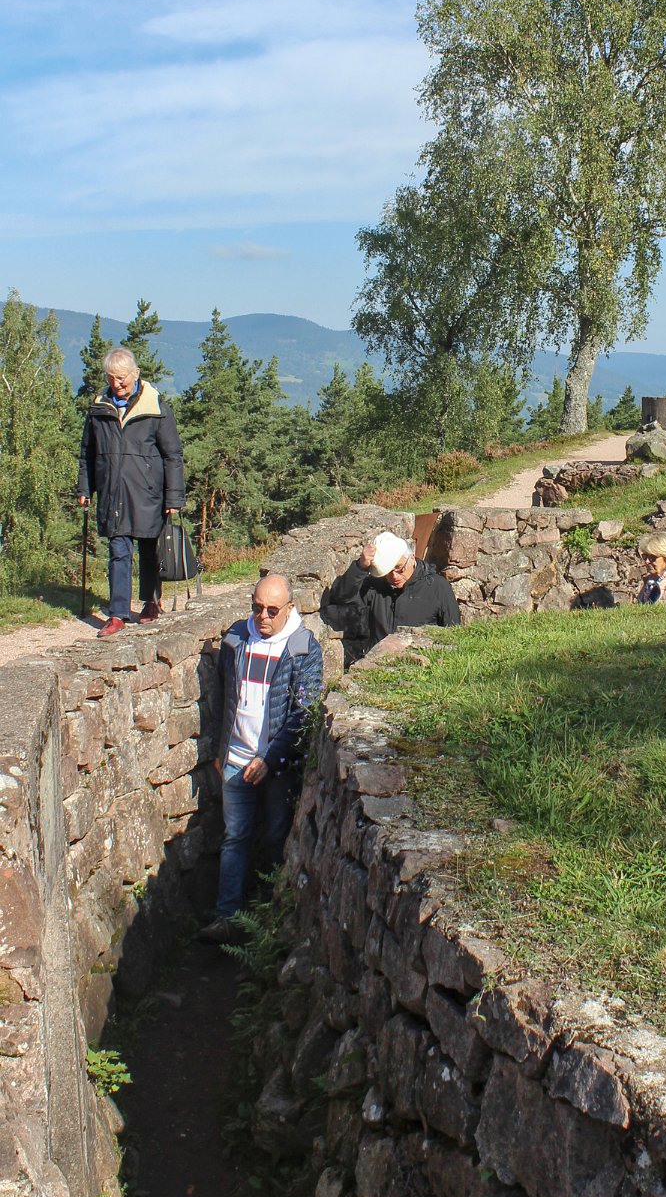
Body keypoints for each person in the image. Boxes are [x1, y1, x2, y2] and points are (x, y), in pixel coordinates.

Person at [200, 574, 323, 945]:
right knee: (235, 837)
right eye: (257, 608)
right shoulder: (236, 639)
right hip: (236, 758)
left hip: (277, 766)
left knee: (273, 839)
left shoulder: (303, 649)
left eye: (272, 610)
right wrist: (222, 750)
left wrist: (269, 758)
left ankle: (267, 922)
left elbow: (302, 713)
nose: (263, 616)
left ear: (290, 608)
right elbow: (223, 697)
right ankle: (228, 918)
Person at [78, 346, 185, 639]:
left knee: (149, 551)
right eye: (111, 377)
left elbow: (173, 455)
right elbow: (88, 453)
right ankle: (117, 614)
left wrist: (174, 497)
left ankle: (150, 602)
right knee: (118, 552)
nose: (117, 383)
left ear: (135, 374)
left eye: (122, 377)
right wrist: (85, 487)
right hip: (113, 494)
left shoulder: (156, 408)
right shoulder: (99, 408)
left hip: (148, 493)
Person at [328, 531, 461, 661]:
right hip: (377, 664)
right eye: (388, 572)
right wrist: (360, 567)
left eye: (399, 568)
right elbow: (341, 598)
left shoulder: (437, 586)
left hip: (421, 664)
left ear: (412, 558)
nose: (394, 576)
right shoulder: (375, 585)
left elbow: (454, 632)